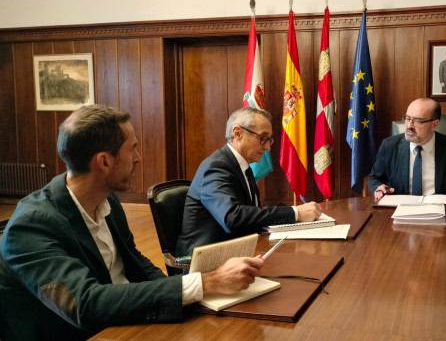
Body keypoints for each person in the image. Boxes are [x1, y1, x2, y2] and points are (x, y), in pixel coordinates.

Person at [0, 105, 264, 341]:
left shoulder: (108, 201)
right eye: (132, 148)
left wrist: (189, 300)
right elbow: (86, 304)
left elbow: (137, 264)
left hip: (125, 322)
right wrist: (204, 283)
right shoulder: (31, 225)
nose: (138, 157)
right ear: (104, 161)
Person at [176, 107, 321, 258]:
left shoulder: (243, 166)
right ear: (238, 133)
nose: (268, 147)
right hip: (209, 260)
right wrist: (294, 213)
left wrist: (294, 213)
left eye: (269, 139)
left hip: (238, 250)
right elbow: (232, 218)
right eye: (263, 138)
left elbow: (252, 212)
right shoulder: (216, 167)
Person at [368, 97, 446, 200]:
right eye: (407, 118)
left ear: (434, 124)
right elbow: (374, 178)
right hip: (401, 210)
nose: (409, 126)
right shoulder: (389, 146)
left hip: (443, 211)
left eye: (417, 121)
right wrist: (378, 188)